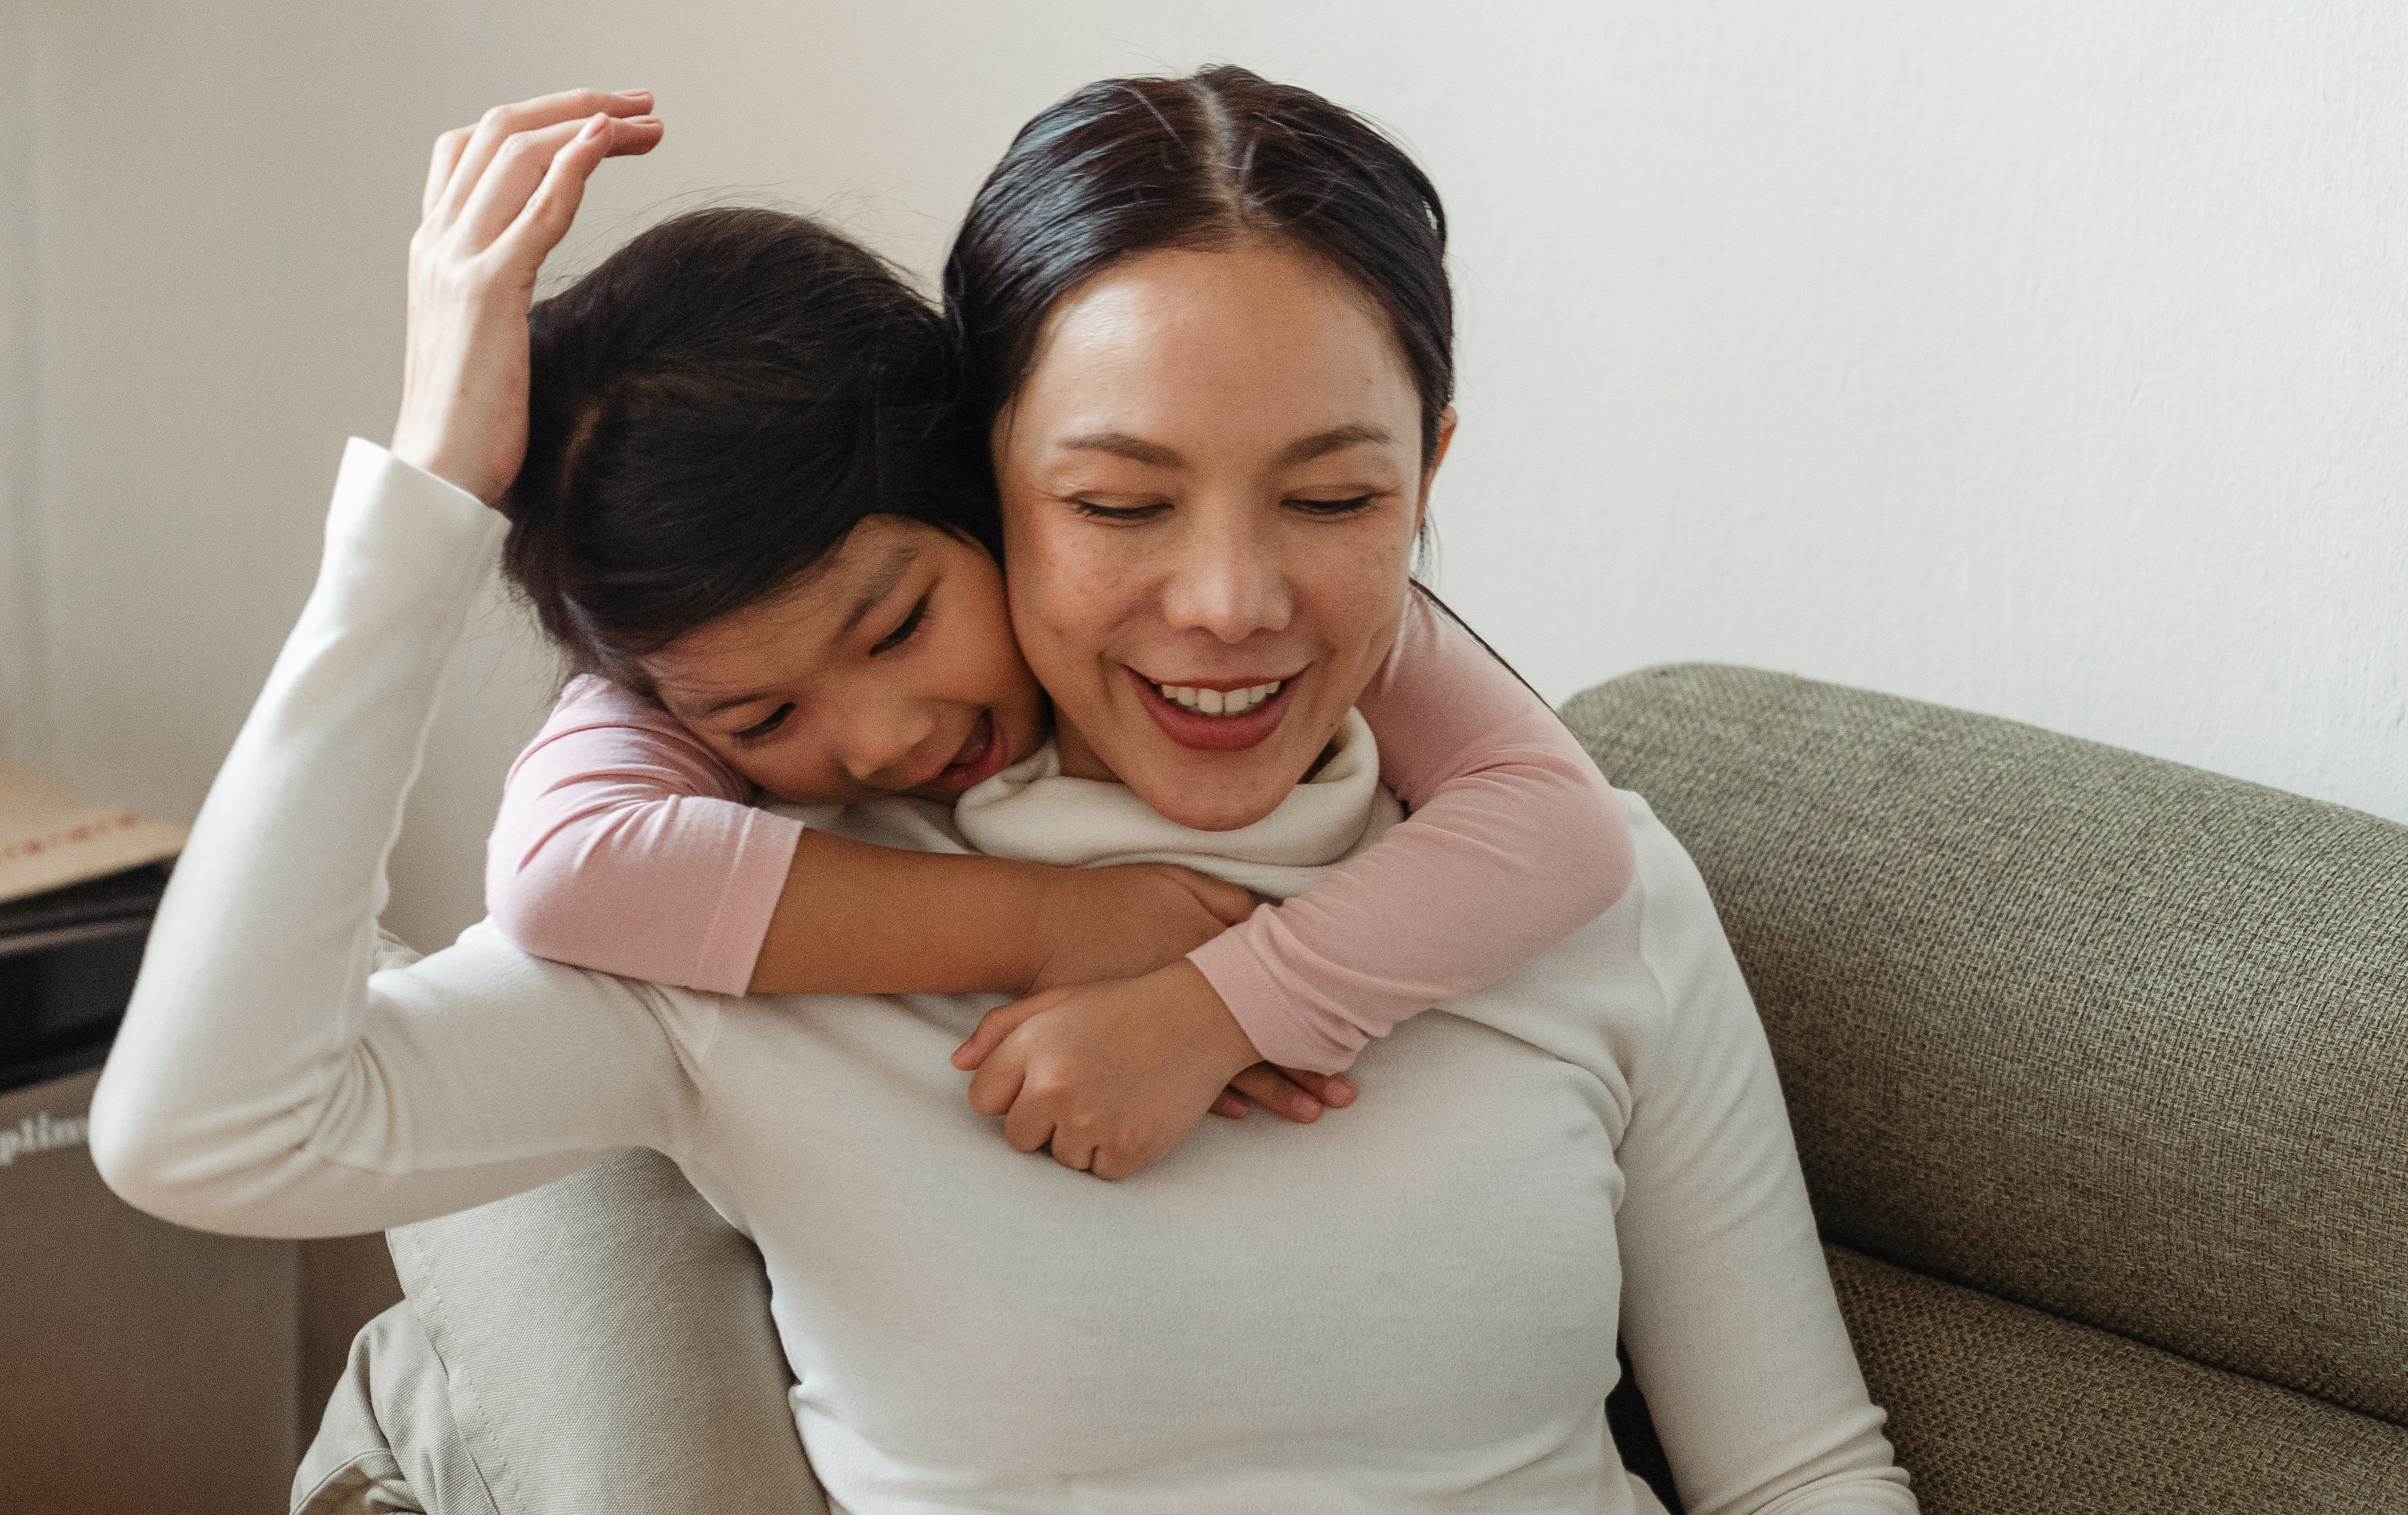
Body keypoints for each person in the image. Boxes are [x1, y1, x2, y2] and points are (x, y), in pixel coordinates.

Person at [96, 67, 2327, 1515]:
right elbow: (204, 1126)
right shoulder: (741, 946)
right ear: (993, 476)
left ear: (1430, 475)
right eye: (1121, 499)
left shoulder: (1578, 886)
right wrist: (419, 511)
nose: (1230, 600)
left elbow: (1804, 1470)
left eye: (1334, 493)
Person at [474, 200, 1635, 1181]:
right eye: (762, 720)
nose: (881, 743)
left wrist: (1220, 1008)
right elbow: (566, 866)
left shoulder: (1266, 617)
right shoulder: (690, 642)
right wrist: (1063, 926)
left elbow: (1563, 823)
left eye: (902, 628)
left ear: (985, 481)